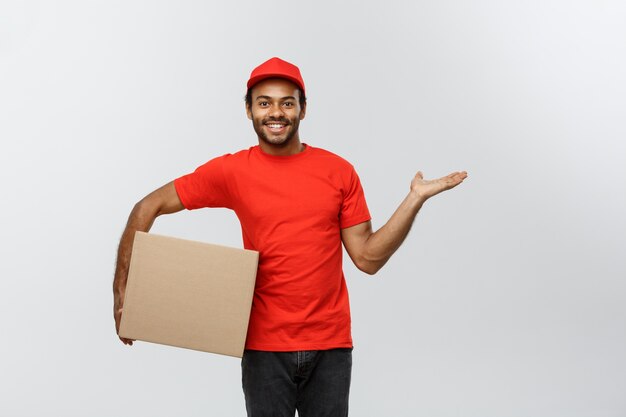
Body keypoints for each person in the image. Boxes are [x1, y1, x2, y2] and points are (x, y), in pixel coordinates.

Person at [113, 57, 467, 417]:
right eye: (264, 102)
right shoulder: (233, 171)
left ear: (303, 109)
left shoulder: (338, 172)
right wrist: (123, 291)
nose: (276, 112)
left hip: (330, 348)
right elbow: (147, 206)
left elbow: (367, 258)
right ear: (249, 110)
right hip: (263, 349)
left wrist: (414, 199)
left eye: (287, 102)